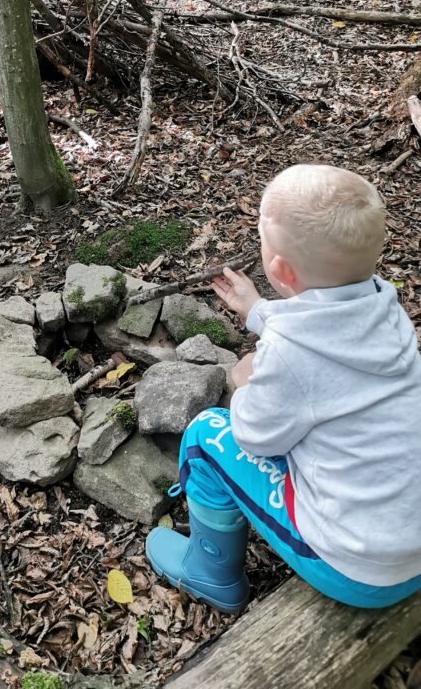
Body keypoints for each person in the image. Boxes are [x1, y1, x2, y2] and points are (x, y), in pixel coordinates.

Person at [146, 164, 421, 613]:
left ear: (279, 269)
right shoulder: (384, 310)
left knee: (204, 436)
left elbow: (254, 435)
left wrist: (242, 381)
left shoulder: (289, 358)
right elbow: (323, 323)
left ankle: (211, 574)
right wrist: (256, 311)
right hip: (409, 540)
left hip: (358, 567)